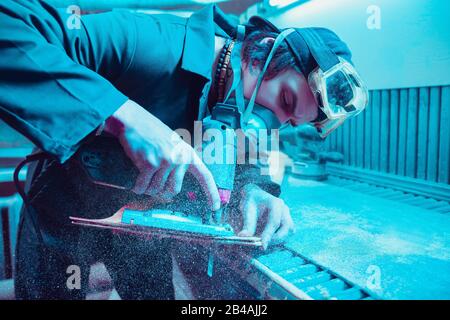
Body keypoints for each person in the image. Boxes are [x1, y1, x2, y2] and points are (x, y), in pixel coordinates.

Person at [0, 0, 367, 299]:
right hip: (61, 219)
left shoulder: (253, 110)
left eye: (289, 123)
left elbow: (245, 159)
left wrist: (255, 190)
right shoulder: (150, 45)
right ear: (264, 53)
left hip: (145, 233)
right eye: (285, 100)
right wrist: (118, 113)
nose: (271, 124)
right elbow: (9, 24)